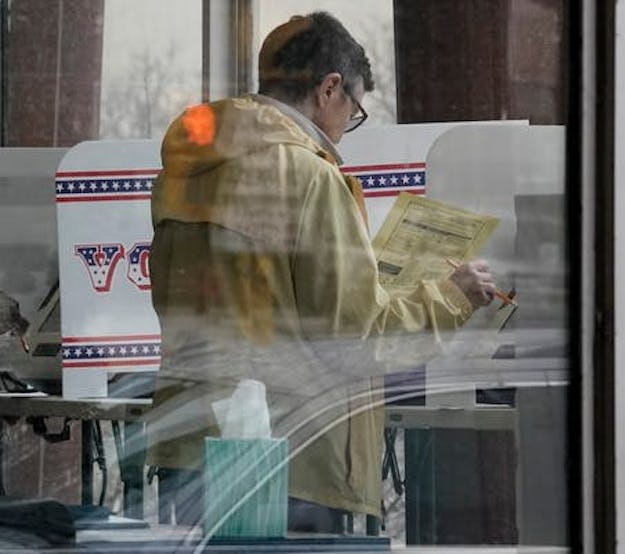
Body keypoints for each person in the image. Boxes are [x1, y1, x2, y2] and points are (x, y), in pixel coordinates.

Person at [145, 11, 498, 532]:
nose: (346, 127)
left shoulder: (184, 173)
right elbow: (356, 338)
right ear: (329, 87)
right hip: (288, 463)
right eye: (353, 110)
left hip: (190, 447)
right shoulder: (311, 179)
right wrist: (452, 296)